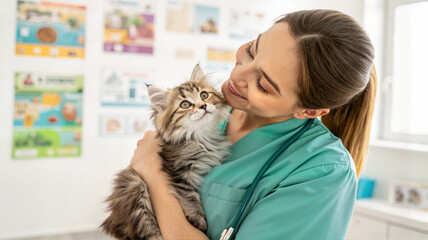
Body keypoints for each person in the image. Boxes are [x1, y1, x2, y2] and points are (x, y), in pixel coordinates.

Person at [131, 9, 377, 240]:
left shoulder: (322, 170)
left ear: (309, 111)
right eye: (252, 50)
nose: (237, 76)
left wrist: (153, 174)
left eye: (262, 84)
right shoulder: (210, 114)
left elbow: (154, 175)